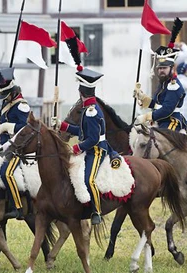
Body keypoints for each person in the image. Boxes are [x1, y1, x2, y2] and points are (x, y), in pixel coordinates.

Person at [52, 37, 114, 225]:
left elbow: (93, 139)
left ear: (81, 92)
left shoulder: (92, 110)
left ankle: (96, 211)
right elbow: (82, 130)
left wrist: (76, 148)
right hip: (89, 147)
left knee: (89, 180)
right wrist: (62, 125)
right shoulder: (88, 108)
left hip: (97, 150)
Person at [0, 67, 30, 220]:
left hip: (18, 147)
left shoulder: (22, 105)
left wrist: (8, 127)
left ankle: (18, 208)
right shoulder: (7, 101)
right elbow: (5, 120)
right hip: (3, 145)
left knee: (7, 173)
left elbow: (25, 128)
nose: (4, 97)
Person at [134, 18, 187, 132]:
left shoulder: (174, 86)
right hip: (160, 120)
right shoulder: (164, 83)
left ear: (172, 68)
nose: (161, 71)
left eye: (164, 68)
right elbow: (157, 105)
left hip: (171, 121)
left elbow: (167, 109)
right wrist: (143, 98)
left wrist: (146, 117)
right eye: (160, 68)